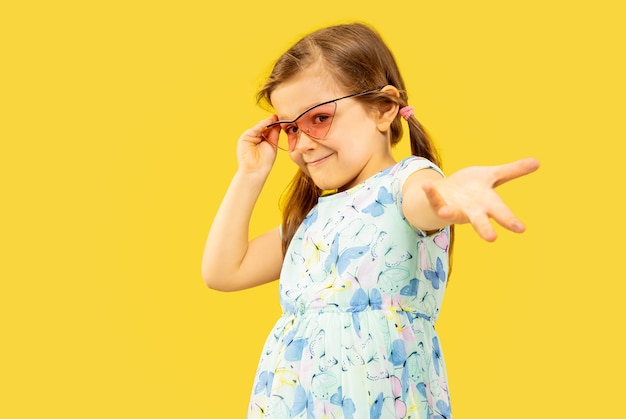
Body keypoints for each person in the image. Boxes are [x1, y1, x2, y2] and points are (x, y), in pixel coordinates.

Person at [202, 22, 539, 419]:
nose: (303, 143)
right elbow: (223, 271)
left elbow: (430, 200)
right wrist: (250, 174)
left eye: (319, 119)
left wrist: (456, 193)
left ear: (383, 108)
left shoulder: (406, 185)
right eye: (290, 129)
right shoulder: (312, 219)